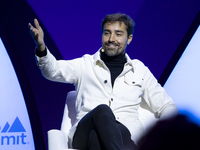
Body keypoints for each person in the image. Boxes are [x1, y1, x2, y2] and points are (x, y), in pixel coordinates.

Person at [29, 13, 179, 150]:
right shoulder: (85, 64)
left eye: (118, 34)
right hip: (83, 131)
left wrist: (163, 135)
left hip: (124, 132)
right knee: (102, 110)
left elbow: (166, 106)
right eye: (107, 33)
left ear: (129, 38)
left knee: (96, 137)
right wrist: (41, 46)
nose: (111, 39)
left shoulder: (140, 70)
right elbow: (53, 71)